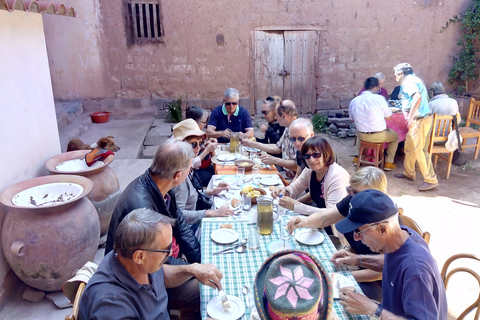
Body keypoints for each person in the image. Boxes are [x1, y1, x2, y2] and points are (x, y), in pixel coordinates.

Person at [79, 208, 223, 320]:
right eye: (166, 249)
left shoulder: (130, 259)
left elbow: (162, 276)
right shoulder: (112, 307)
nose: (171, 252)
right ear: (140, 256)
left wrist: (192, 269)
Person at [331, 189, 447, 319]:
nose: (356, 238)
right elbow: (395, 264)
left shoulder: (416, 270)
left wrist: (372, 309)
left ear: (382, 229)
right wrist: (358, 259)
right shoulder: (403, 236)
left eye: (359, 231)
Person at [286, 166, 387, 302]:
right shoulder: (354, 201)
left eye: (355, 192)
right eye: (349, 189)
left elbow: (382, 271)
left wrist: (347, 276)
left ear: (376, 196)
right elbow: (325, 218)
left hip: (374, 283)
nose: (350, 195)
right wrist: (302, 222)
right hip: (354, 263)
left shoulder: (384, 223)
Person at [172, 119, 234, 228]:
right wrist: (210, 213)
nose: (198, 148)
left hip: (194, 216)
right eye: (193, 144)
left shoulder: (185, 164)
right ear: (180, 145)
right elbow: (178, 215)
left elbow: (192, 194)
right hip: (188, 228)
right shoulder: (179, 175)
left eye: (200, 143)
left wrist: (212, 191)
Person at [272, 135, 349, 217]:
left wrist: (297, 206)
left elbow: (332, 214)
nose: (311, 160)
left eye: (316, 155)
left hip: (336, 224)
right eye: (307, 156)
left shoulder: (337, 177)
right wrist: (285, 191)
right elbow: (296, 187)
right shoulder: (310, 170)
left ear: (326, 154)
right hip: (320, 217)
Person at [393, 63, 439, 191]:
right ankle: (409, 172)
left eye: (396, 75)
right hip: (421, 119)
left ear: (401, 73)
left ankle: (430, 179)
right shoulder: (414, 79)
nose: (395, 77)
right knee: (410, 147)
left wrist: (411, 116)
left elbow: (417, 97)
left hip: (420, 119)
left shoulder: (409, 82)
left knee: (420, 150)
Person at [350, 77, 399, 171]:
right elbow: (389, 117)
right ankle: (388, 162)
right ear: (377, 86)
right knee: (395, 137)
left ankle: (357, 158)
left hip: (361, 136)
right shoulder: (379, 99)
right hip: (378, 135)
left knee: (360, 131)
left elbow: (352, 120)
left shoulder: (354, 101)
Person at [241, 100, 298, 178]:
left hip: (295, 179)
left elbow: (297, 165)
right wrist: (252, 144)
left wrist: (275, 160)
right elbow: (277, 148)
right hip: (288, 175)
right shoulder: (288, 128)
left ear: (283, 116)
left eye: (276, 115)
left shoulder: (299, 131)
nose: (275, 117)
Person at [186, 106, 217, 186]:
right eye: (204, 122)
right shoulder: (187, 137)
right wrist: (207, 151)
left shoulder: (194, 132)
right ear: (195, 122)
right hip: (189, 173)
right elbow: (193, 164)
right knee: (216, 178)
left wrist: (204, 146)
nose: (205, 125)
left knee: (218, 170)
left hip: (199, 167)